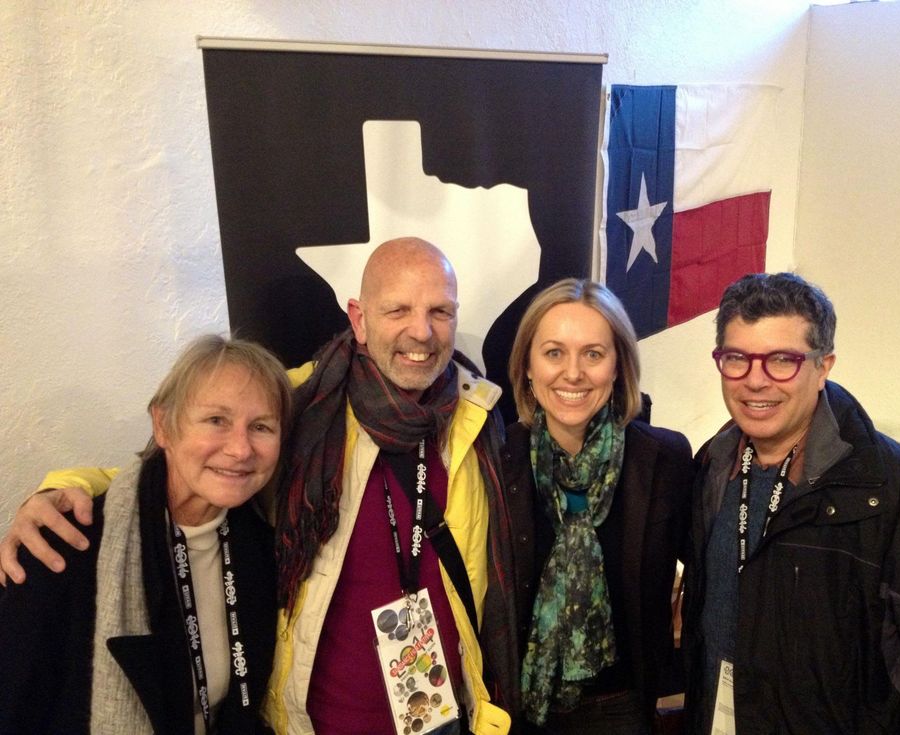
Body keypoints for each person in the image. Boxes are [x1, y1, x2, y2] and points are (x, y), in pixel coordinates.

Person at [0, 238, 517, 735]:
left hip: (439, 715)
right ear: (359, 319)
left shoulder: (479, 420)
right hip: (313, 722)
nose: (421, 332)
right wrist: (59, 490)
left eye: (440, 312)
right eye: (398, 310)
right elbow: (180, 469)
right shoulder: (296, 404)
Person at [682, 272, 900, 734]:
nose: (755, 382)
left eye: (782, 360)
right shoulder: (713, 465)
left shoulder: (897, 491)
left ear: (823, 367)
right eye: (737, 358)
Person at [0, 334, 289, 733]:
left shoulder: (262, 543)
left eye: (261, 426)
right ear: (163, 424)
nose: (241, 449)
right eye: (216, 420)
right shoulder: (64, 545)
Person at [502, 279, 694, 734]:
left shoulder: (664, 459)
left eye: (593, 353)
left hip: (622, 705)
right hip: (520, 705)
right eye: (553, 353)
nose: (573, 373)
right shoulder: (495, 457)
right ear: (527, 366)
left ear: (618, 366)